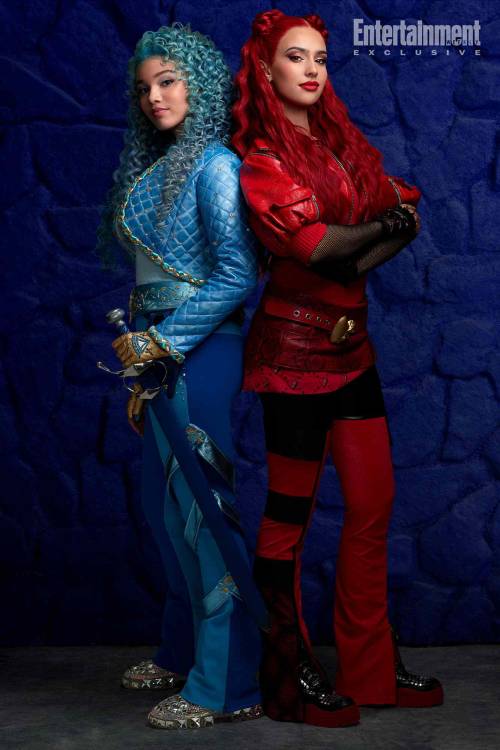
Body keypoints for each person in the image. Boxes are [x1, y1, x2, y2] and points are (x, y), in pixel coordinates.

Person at [232, 9, 444, 727]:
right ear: (267, 70)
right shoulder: (262, 159)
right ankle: (288, 673)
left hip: (354, 351)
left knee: (373, 501)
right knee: (287, 519)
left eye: (321, 58)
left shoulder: (341, 145)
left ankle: (371, 666)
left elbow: (393, 218)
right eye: (296, 57)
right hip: (292, 357)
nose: (313, 69)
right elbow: (317, 249)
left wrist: (366, 240)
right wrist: (377, 230)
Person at [97, 24, 262, 729]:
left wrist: (162, 342)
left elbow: (236, 274)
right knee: (164, 510)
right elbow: (153, 283)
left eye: (167, 81)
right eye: (144, 88)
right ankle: (182, 648)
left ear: (198, 83)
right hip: (156, 353)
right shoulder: (158, 166)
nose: (154, 96)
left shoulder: (216, 165)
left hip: (200, 349)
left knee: (202, 509)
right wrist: (144, 358)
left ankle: (228, 683)